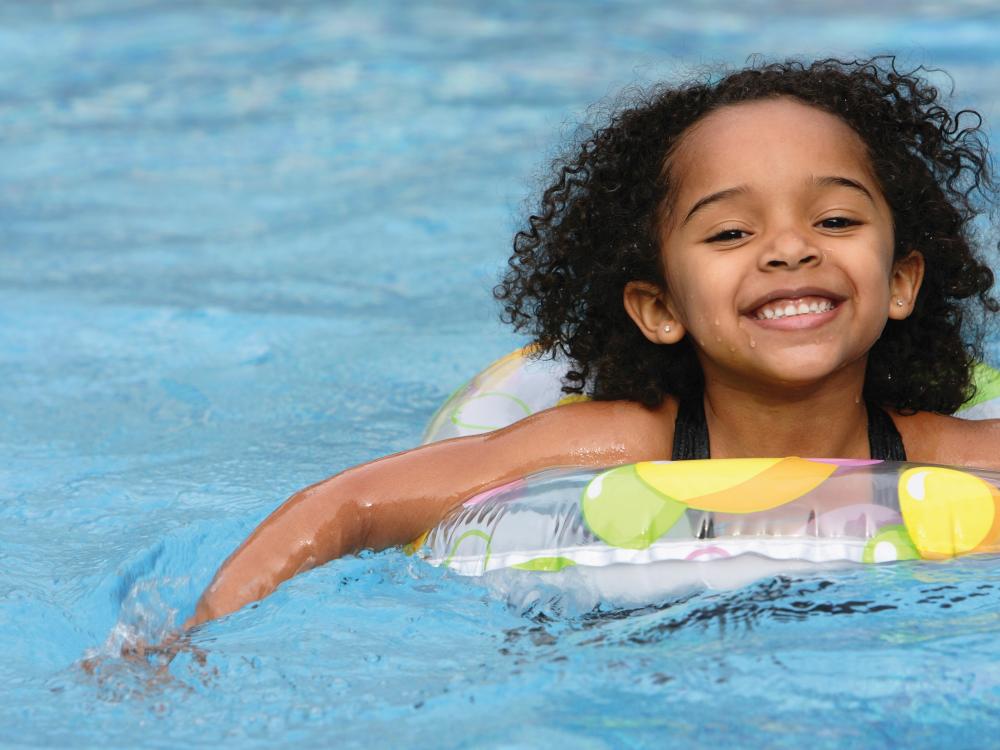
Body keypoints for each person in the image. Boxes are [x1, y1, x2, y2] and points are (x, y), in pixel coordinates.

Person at [186, 57, 1000, 629]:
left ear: (900, 281)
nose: (789, 249)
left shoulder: (944, 452)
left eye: (835, 220)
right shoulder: (612, 442)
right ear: (657, 307)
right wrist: (185, 644)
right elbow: (347, 506)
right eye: (728, 232)